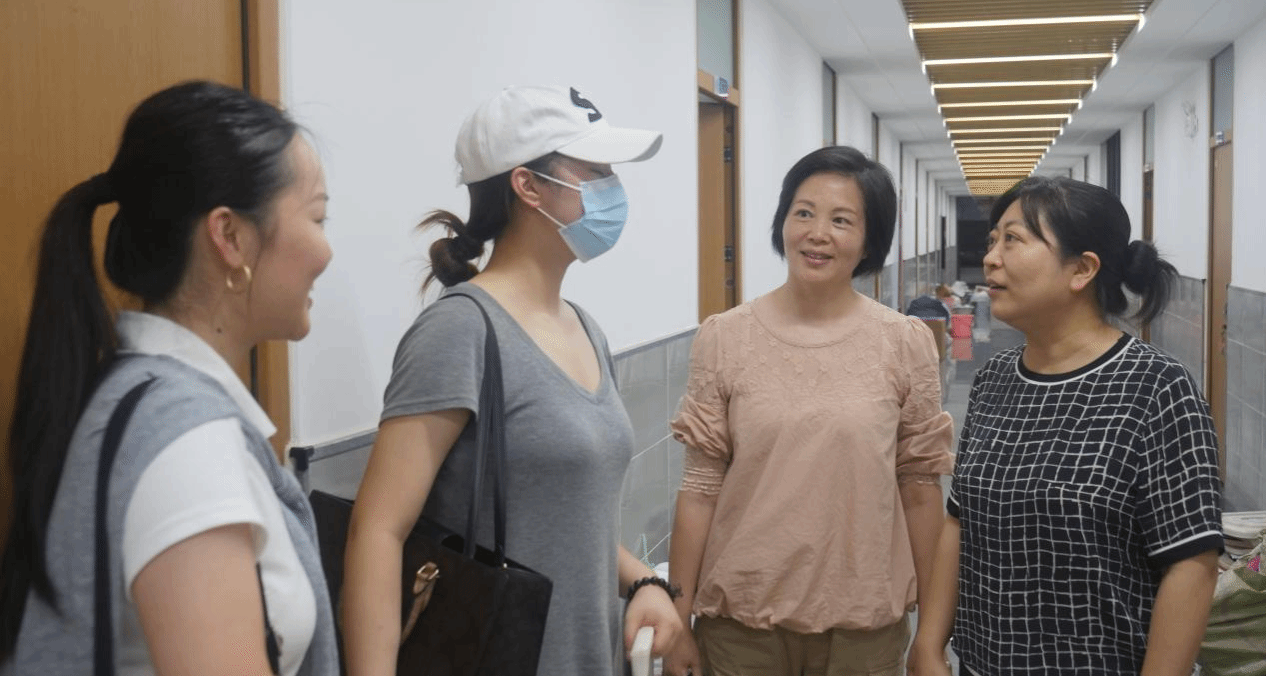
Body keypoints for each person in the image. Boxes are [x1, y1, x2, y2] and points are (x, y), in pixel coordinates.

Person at [340, 85, 685, 676]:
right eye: (596, 171)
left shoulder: (586, 328)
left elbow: (569, 522)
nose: (614, 189)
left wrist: (644, 582)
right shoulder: (460, 331)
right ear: (527, 186)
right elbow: (377, 530)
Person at [0, 81, 337, 675]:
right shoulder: (188, 444)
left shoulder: (132, 395)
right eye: (317, 217)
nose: (326, 252)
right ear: (229, 237)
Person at [909, 176, 1222, 676]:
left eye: (1013, 240)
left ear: (1082, 269)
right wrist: (928, 643)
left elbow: (1191, 561)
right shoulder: (994, 379)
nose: (990, 258)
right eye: (992, 240)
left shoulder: (1156, 388)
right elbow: (959, 520)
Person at [664, 146, 954, 676]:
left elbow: (919, 488)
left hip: (864, 631)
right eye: (804, 213)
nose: (818, 233)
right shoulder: (724, 338)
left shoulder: (904, 343)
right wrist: (678, 622)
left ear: (869, 240)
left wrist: (931, 639)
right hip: (740, 625)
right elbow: (700, 490)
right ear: (782, 222)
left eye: (842, 220)